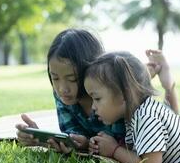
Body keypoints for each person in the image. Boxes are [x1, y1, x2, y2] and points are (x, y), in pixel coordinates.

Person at [15, 28, 162, 154]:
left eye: (72, 79)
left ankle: (151, 69)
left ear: (88, 72)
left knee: (135, 80)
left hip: (123, 79)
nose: (62, 89)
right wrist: (42, 139)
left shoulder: (111, 96)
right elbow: (71, 132)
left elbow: (121, 140)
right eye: (55, 78)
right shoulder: (63, 95)